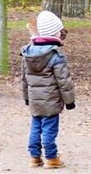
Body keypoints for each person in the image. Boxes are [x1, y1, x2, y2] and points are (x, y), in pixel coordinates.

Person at [21, 10, 76, 169]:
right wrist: (69, 101)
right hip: (51, 101)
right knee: (49, 130)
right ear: (54, 33)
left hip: (34, 101)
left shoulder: (27, 53)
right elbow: (64, 82)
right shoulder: (56, 56)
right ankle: (51, 158)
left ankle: (34, 157)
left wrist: (26, 98)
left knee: (36, 127)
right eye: (59, 30)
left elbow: (24, 79)